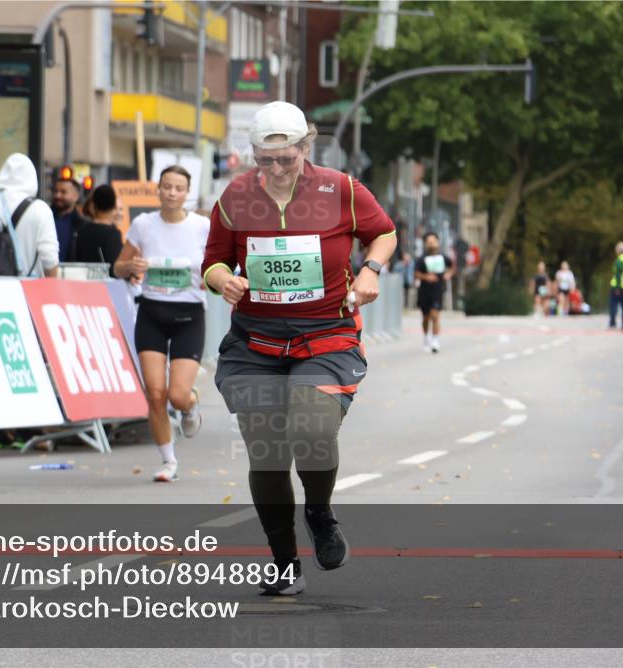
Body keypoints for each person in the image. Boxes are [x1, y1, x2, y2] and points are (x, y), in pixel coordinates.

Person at [203, 101, 396, 595]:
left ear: (306, 148)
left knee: (312, 428)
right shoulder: (236, 196)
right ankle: (285, 562)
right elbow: (214, 261)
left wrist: (371, 270)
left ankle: (320, 512)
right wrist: (223, 280)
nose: (275, 170)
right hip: (256, 342)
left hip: (324, 336)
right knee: (266, 454)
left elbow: (384, 234)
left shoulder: (342, 189)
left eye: (286, 159)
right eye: (265, 161)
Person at [113, 166, 209, 482]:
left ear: (186, 193)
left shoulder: (202, 227)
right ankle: (168, 461)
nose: (171, 193)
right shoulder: (143, 225)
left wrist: (213, 279)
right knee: (155, 394)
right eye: (166, 186)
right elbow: (117, 267)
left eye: (178, 188)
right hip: (152, 312)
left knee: (177, 395)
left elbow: (220, 266)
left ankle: (190, 405)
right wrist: (131, 265)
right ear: (159, 189)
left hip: (189, 315)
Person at [414, 232, 455, 353]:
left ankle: (435, 340)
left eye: (433, 241)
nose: (431, 243)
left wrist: (449, 274)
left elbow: (452, 266)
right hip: (424, 291)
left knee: (435, 315)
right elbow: (416, 273)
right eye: (428, 241)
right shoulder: (422, 258)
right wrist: (426, 277)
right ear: (425, 244)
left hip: (438, 290)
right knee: (426, 317)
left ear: (437, 242)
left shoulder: (443, 257)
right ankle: (426, 337)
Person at [68, 184, 123, 268]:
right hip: (104, 280)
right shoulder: (113, 233)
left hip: (82, 278)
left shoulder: (81, 230)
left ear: (94, 205)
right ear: (113, 206)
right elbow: (114, 267)